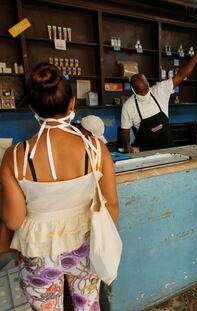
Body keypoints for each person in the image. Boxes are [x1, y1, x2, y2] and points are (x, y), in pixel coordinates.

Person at [0, 63, 119, 310]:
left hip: (39, 251)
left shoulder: (15, 156)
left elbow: (13, 220)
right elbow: (112, 206)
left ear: (32, 107)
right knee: (88, 306)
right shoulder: (96, 148)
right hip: (85, 244)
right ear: (72, 103)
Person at [120, 44, 197, 153]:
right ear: (132, 90)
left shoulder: (160, 90)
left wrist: (196, 57)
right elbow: (125, 130)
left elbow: (181, 75)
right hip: (146, 153)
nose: (143, 94)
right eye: (139, 92)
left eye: (145, 90)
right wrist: (127, 145)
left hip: (168, 149)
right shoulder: (128, 106)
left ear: (148, 84)